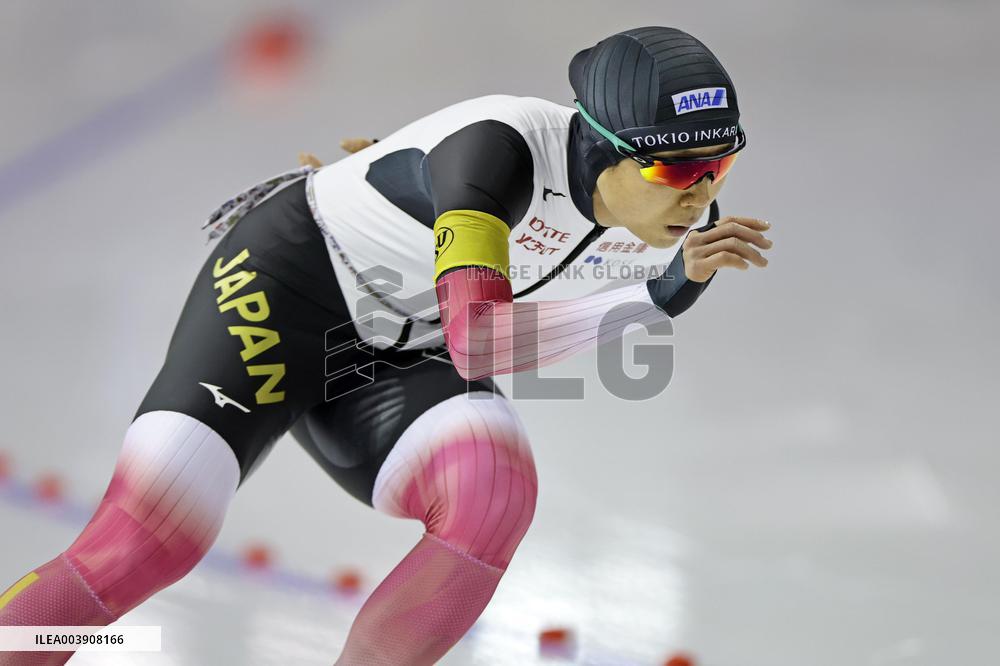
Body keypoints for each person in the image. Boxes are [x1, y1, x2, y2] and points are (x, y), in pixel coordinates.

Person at [0, 25, 770, 665]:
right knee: (148, 542)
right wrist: (656, 297)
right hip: (284, 295)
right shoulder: (495, 156)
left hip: (400, 343)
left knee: (491, 496)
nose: (703, 194)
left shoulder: (673, 213)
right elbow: (479, 342)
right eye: (677, 168)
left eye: (721, 164)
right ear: (603, 146)